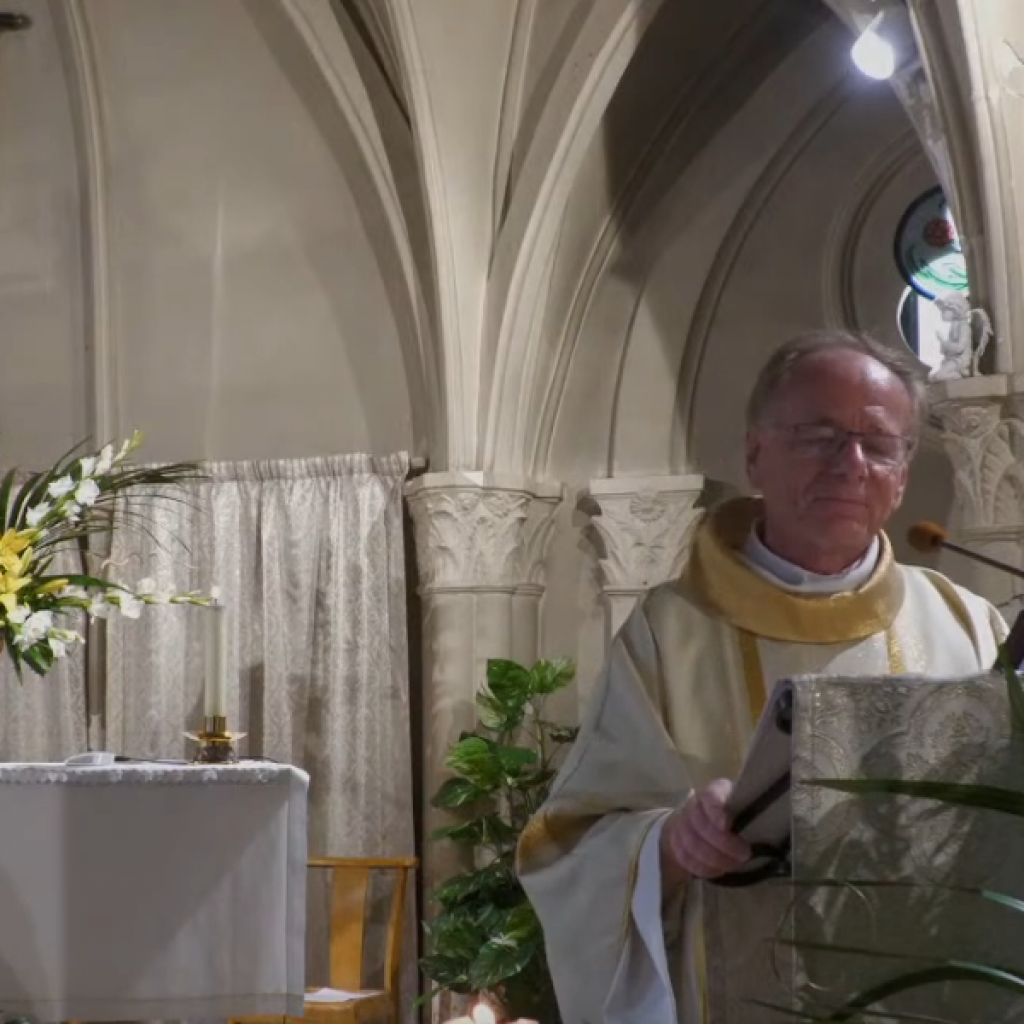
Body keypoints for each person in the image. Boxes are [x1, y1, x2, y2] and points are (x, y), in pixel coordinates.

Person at [517, 330, 1007, 1024]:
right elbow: (570, 844)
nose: (851, 464)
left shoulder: (967, 624)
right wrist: (671, 842)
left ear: (901, 476)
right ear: (755, 454)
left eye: (879, 445)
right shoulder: (670, 632)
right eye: (819, 436)